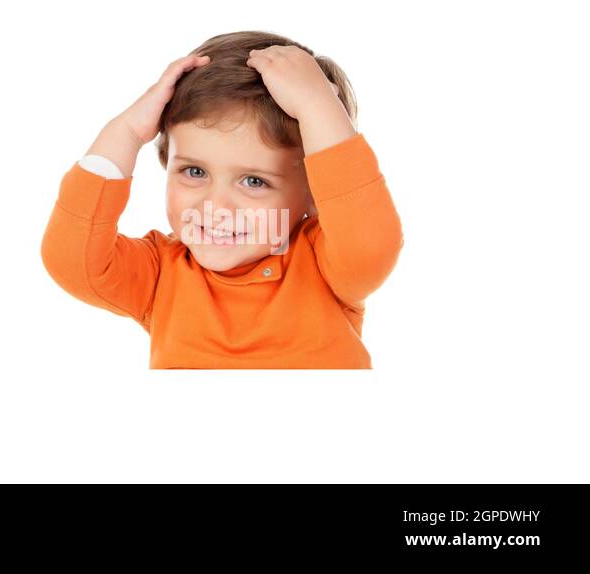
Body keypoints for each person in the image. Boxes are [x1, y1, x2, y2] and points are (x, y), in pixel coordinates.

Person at [40, 32, 401, 368]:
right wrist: (127, 131)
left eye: (254, 181)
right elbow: (71, 261)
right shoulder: (161, 272)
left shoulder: (326, 265)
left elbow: (370, 242)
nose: (217, 208)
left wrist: (317, 107)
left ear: (314, 190)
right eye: (195, 172)